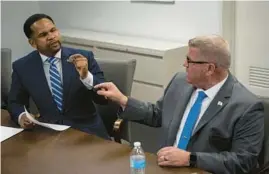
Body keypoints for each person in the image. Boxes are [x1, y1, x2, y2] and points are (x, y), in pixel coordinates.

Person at [94, 35, 265, 173]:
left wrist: (189, 158)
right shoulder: (180, 81)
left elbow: (243, 161)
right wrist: (123, 100)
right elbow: (158, 114)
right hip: (166, 168)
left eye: (189, 61)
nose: (184, 64)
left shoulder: (246, 106)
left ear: (210, 69)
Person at [8, 13, 110, 139]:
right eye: (43, 35)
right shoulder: (22, 67)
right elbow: (15, 102)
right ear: (33, 43)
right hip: (49, 133)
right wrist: (21, 116)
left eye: (53, 30)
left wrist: (85, 76)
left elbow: (104, 97)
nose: (51, 37)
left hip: (87, 132)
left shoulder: (84, 57)